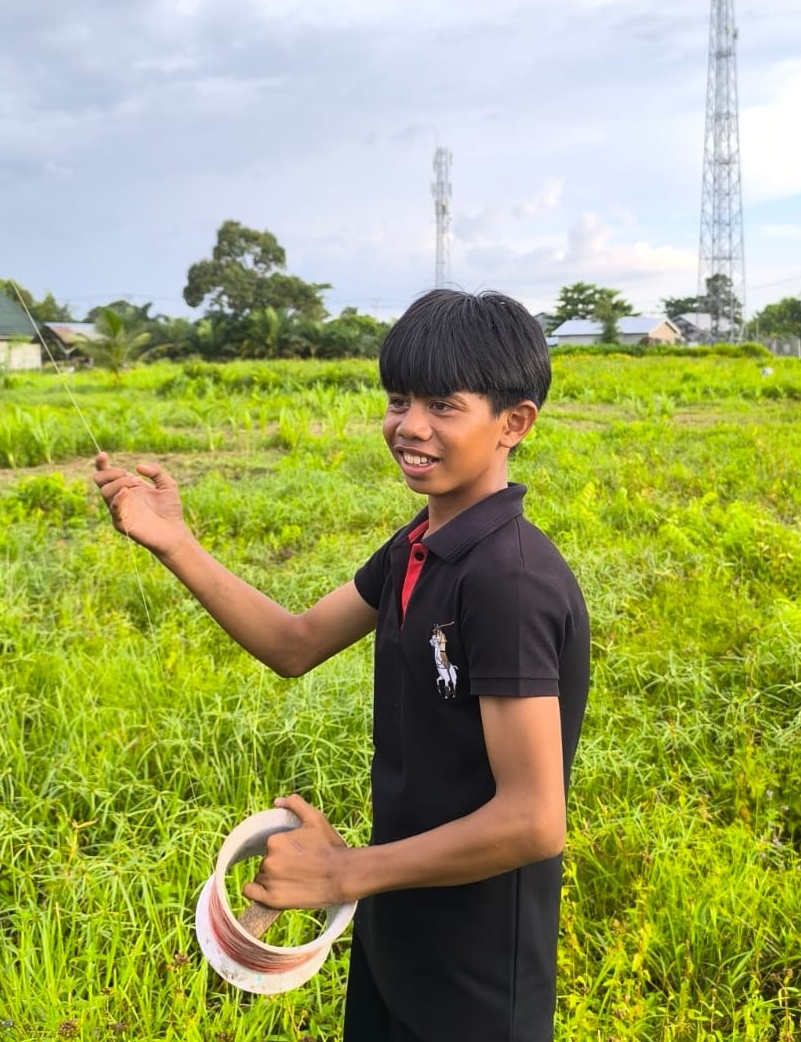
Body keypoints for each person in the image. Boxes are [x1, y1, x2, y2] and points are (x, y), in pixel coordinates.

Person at [93, 288, 590, 1042]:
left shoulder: (508, 581)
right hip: (398, 930)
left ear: (513, 423)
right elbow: (295, 645)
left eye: (444, 406)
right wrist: (175, 543)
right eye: (398, 400)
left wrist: (340, 873)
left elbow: (532, 821)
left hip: (480, 977)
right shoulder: (415, 548)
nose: (409, 427)